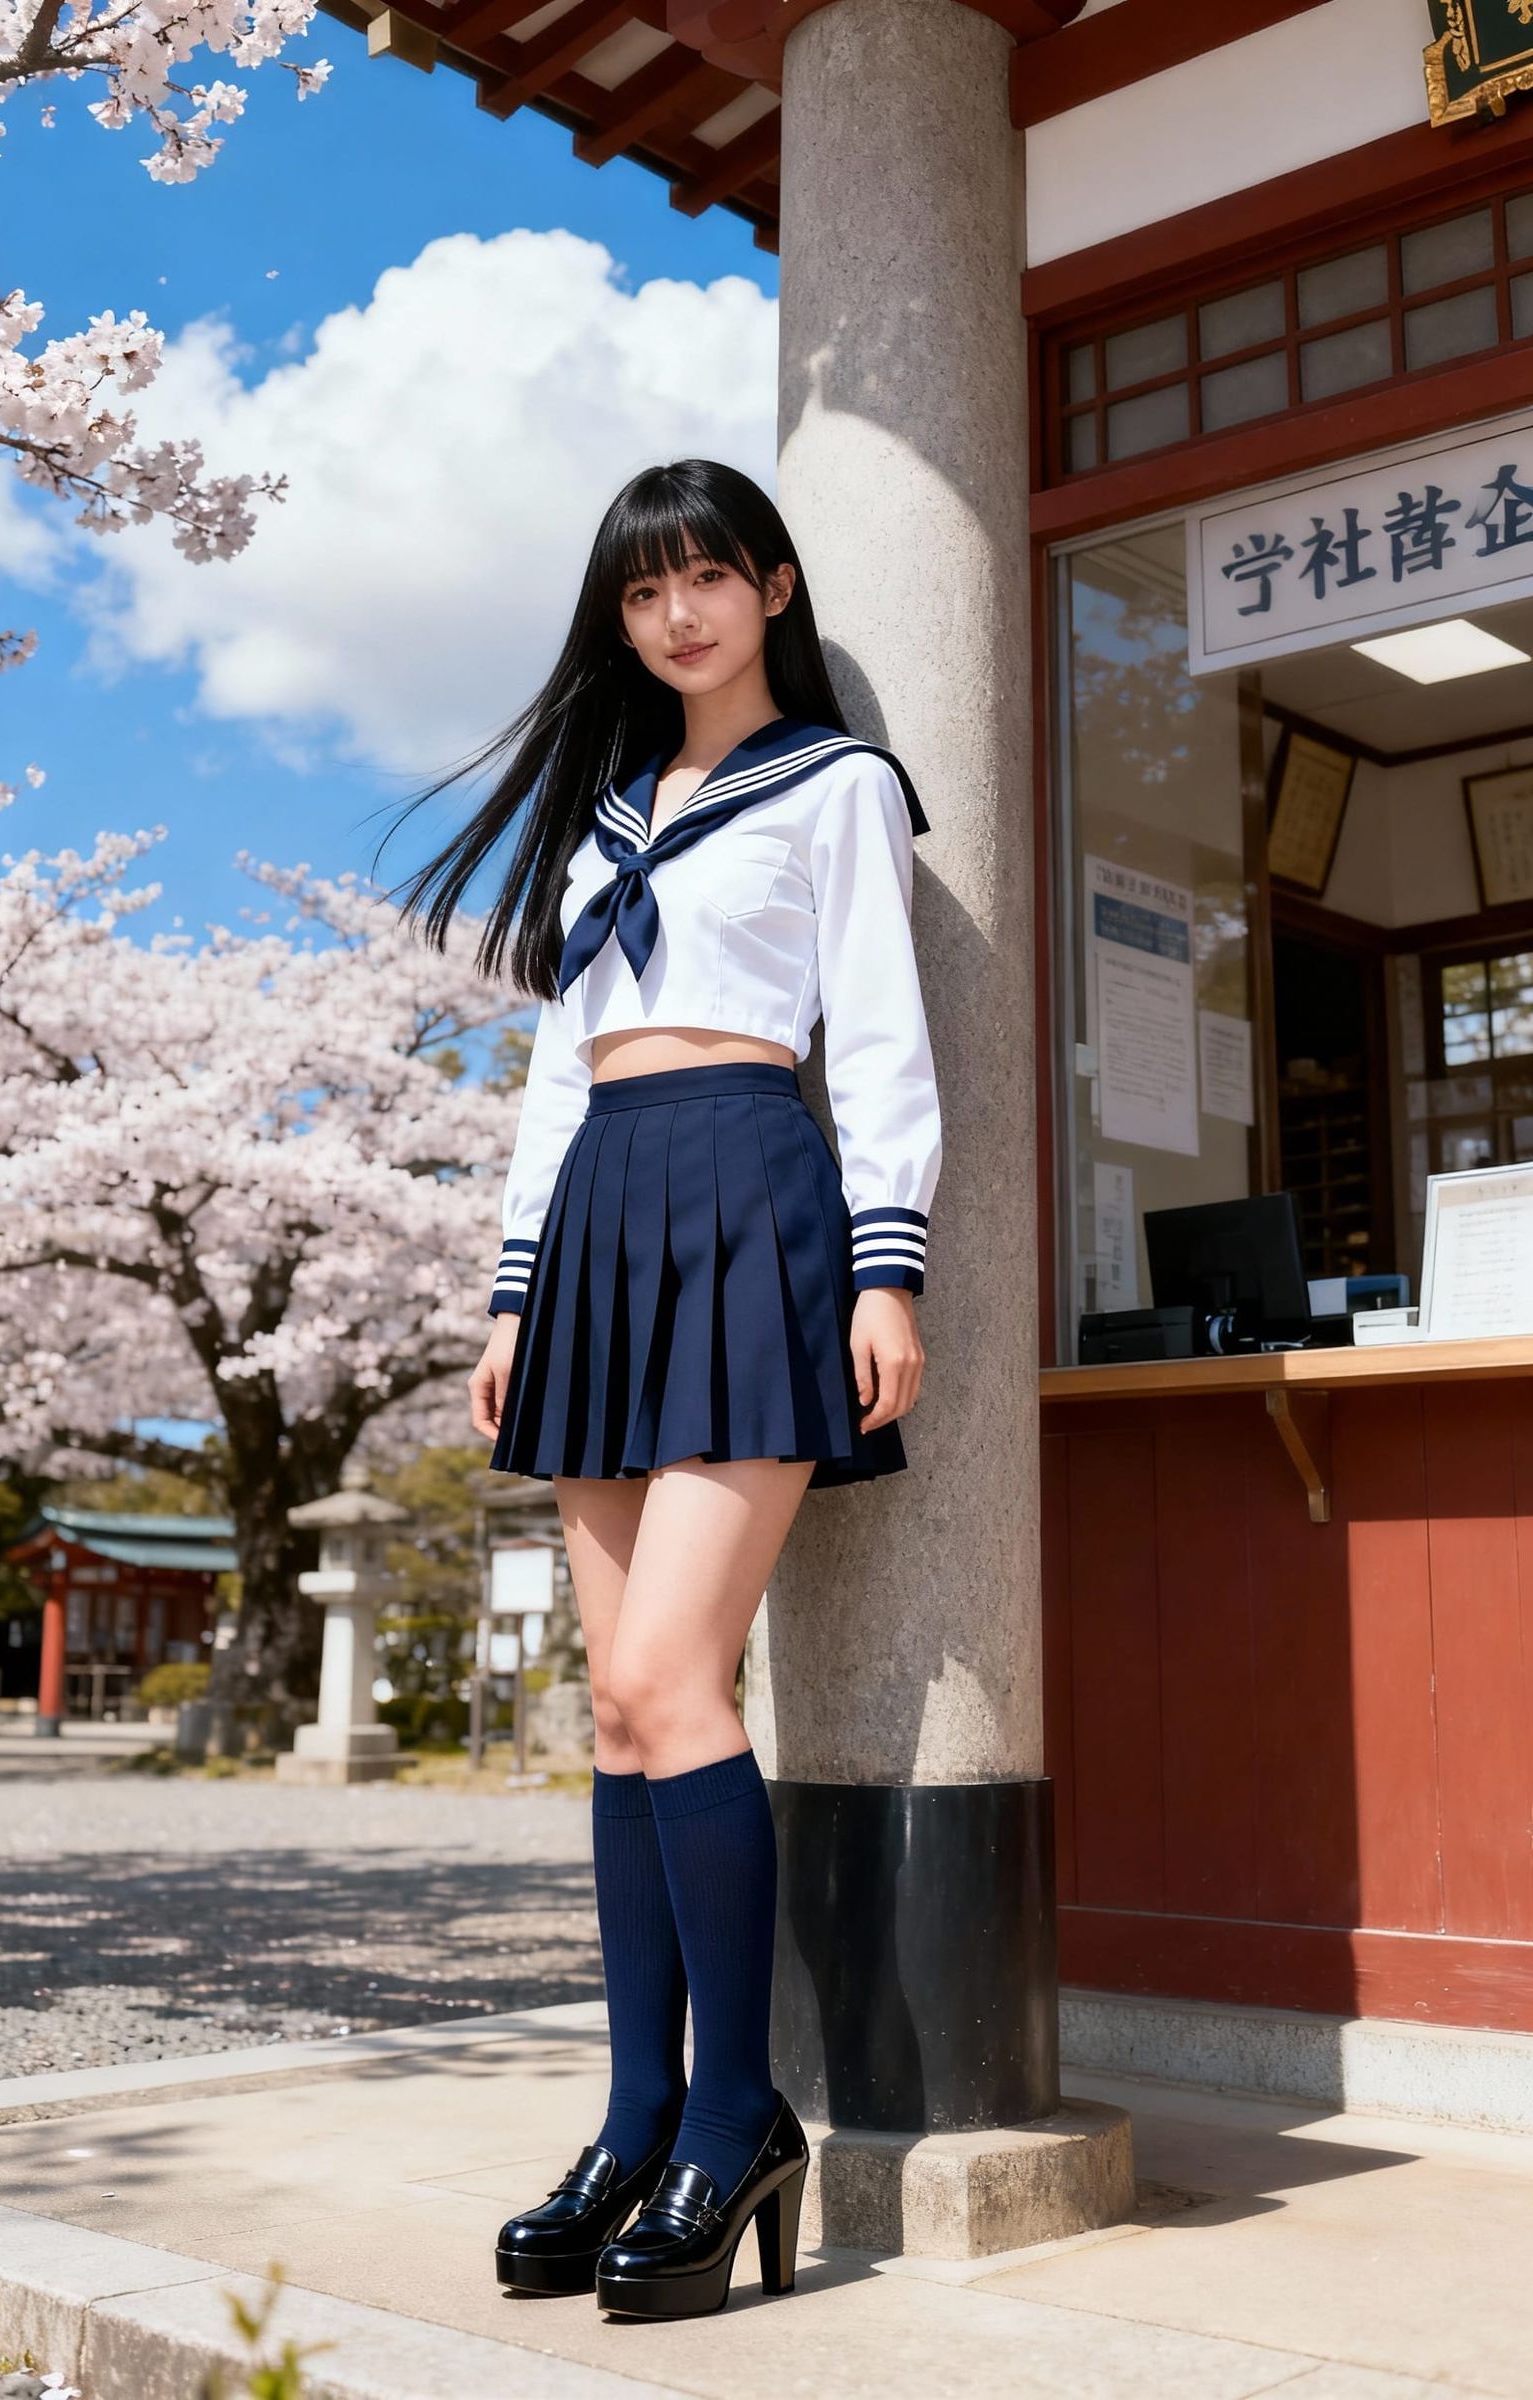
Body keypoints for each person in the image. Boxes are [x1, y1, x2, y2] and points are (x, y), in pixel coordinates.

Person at [388, 458, 941, 2320]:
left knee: (663, 1681)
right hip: (605, 1221)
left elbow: (873, 1032)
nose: (677, 615)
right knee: (614, 1722)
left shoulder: (841, 786)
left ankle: (735, 2114)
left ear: (774, 590)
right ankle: (638, 2116)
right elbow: (557, 1075)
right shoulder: (603, 817)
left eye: (709, 578)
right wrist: (512, 1294)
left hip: (752, 1201)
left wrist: (889, 1259)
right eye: (644, 594)